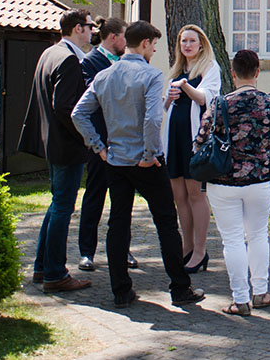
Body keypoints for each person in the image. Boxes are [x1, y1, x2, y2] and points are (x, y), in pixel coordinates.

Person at [71, 20, 204, 309]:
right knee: (167, 223)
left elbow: (78, 114)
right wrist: (148, 154)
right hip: (145, 162)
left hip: (115, 160)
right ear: (144, 43)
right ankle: (180, 288)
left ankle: (121, 291)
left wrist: (99, 147)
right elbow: (153, 119)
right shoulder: (152, 75)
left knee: (118, 223)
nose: (154, 50)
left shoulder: (104, 76)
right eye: (154, 45)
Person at [195, 49, 270, 315]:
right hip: (259, 180)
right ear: (258, 72)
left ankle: (241, 299)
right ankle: (261, 292)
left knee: (233, 241)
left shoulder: (220, 104)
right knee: (258, 235)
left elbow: (201, 140)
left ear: (233, 73)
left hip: (223, 181)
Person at [19, 8, 95, 293]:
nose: (92, 32)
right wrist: (86, 135)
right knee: (63, 207)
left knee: (56, 205)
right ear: (78, 28)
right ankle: (55, 273)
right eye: (89, 27)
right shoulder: (68, 60)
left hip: (52, 142)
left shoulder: (50, 54)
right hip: (66, 145)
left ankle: (42, 267)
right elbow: (65, 107)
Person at [77, 17, 137, 273]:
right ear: (114, 37)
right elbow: (93, 98)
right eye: (126, 36)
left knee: (123, 200)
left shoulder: (129, 63)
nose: (128, 42)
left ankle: (123, 250)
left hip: (125, 142)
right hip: (101, 143)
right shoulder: (90, 63)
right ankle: (86, 252)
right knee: (94, 195)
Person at [163, 25, 223, 273]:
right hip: (173, 138)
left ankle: (200, 250)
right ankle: (186, 248)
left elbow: (206, 98)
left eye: (191, 41)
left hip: (194, 139)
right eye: (183, 41)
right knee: (179, 196)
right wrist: (170, 95)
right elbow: (164, 106)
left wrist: (185, 87)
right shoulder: (177, 69)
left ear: (201, 44)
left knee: (195, 194)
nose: (187, 45)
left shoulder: (210, 67)